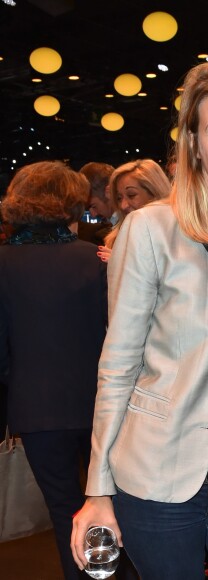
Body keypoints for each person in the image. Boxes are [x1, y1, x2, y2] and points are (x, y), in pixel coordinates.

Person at [70, 62, 208, 580]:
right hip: (158, 481)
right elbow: (118, 363)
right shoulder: (152, 229)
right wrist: (97, 489)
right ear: (194, 144)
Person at [0, 161, 107, 580]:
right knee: (112, 502)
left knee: (65, 511)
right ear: (73, 202)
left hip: (37, 409)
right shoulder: (97, 257)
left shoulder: (4, 263)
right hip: (103, 404)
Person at [96, 159, 171, 262]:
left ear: (154, 193)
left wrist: (123, 265)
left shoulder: (176, 236)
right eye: (119, 198)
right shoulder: (115, 239)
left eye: (131, 195)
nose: (123, 205)